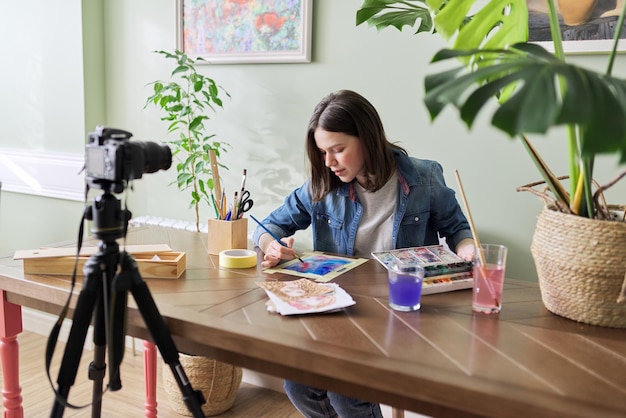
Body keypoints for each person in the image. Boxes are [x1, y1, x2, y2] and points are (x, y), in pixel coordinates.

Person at [252, 89, 475, 418]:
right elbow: (266, 226)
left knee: (346, 394)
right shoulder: (321, 185)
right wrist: (273, 245)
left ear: (367, 138)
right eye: (323, 152)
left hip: (402, 310)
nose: (329, 162)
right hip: (341, 311)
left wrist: (469, 250)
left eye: (338, 150)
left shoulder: (424, 178)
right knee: (297, 384)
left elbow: (458, 228)